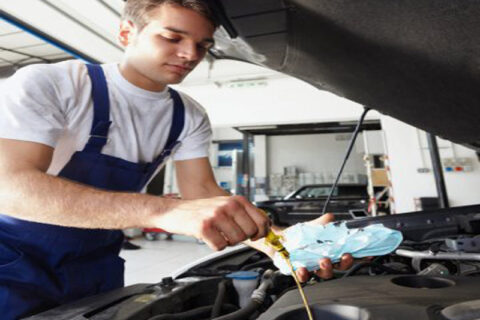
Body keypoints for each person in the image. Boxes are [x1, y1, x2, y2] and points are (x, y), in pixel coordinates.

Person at [0, 0, 352, 318]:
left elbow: (202, 192)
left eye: (203, 45)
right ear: (127, 32)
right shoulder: (54, 84)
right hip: (11, 262)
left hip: (96, 266)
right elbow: (9, 187)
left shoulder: (188, 115)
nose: (190, 54)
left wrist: (280, 243)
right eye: (172, 37)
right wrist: (163, 211)